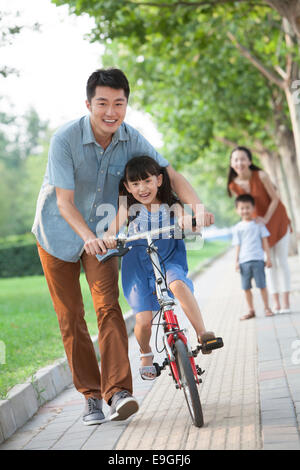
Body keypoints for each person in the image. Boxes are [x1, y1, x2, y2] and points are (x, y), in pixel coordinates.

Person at [32, 68, 214, 424]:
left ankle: (118, 392)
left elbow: (170, 174)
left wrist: (197, 208)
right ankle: (90, 397)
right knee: (71, 318)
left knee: (108, 308)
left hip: (107, 235)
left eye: (119, 103)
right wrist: (88, 236)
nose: (111, 111)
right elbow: (64, 202)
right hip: (57, 235)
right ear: (89, 104)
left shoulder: (132, 138)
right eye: (103, 103)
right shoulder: (65, 139)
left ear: (126, 105)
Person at [102, 156, 217, 380]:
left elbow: (186, 221)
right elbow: (111, 230)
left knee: (177, 284)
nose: (142, 188)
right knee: (143, 321)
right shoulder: (128, 207)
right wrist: (107, 238)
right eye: (135, 184)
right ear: (127, 187)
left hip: (168, 258)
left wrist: (191, 221)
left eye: (147, 181)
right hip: (138, 265)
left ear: (160, 180)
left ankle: (202, 334)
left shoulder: (171, 204)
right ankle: (146, 353)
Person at [227, 146, 291, 315]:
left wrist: (266, 219)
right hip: (258, 226)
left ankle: (286, 301)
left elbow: (276, 198)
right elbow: (244, 206)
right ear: (232, 163)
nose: (239, 163)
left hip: (276, 220)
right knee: (269, 264)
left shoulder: (261, 175)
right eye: (236, 160)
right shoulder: (233, 185)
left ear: (249, 161)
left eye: (243, 159)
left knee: (281, 261)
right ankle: (275, 302)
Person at [232, 194, 273, 320]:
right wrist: (236, 261)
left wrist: (268, 258)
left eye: (247, 207)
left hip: (258, 260)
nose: (245, 210)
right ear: (237, 210)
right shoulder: (238, 227)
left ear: (253, 208)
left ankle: (267, 308)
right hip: (244, 261)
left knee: (262, 285)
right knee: (246, 288)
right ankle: (251, 310)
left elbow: (265, 241)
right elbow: (237, 245)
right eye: (242, 208)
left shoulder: (259, 225)